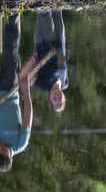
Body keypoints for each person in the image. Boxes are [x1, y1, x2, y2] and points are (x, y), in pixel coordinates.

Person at [0, 14, 32, 172]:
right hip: (10, 89)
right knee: (11, 51)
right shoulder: (20, 143)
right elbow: (27, 114)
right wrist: (26, 90)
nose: (1, 146)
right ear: (9, 155)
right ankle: (13, 11)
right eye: (3, 149)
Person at [20, 11, 68, 112]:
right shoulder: (65, 83)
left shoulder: (45, 86)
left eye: (55, 100)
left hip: (44, 43)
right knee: (57, 10)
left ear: (49, 98)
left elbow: (25, 78)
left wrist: (33, 60)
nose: (57, 97)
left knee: (45, 11)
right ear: (65, 99)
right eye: (60, 100)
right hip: (60, 42)